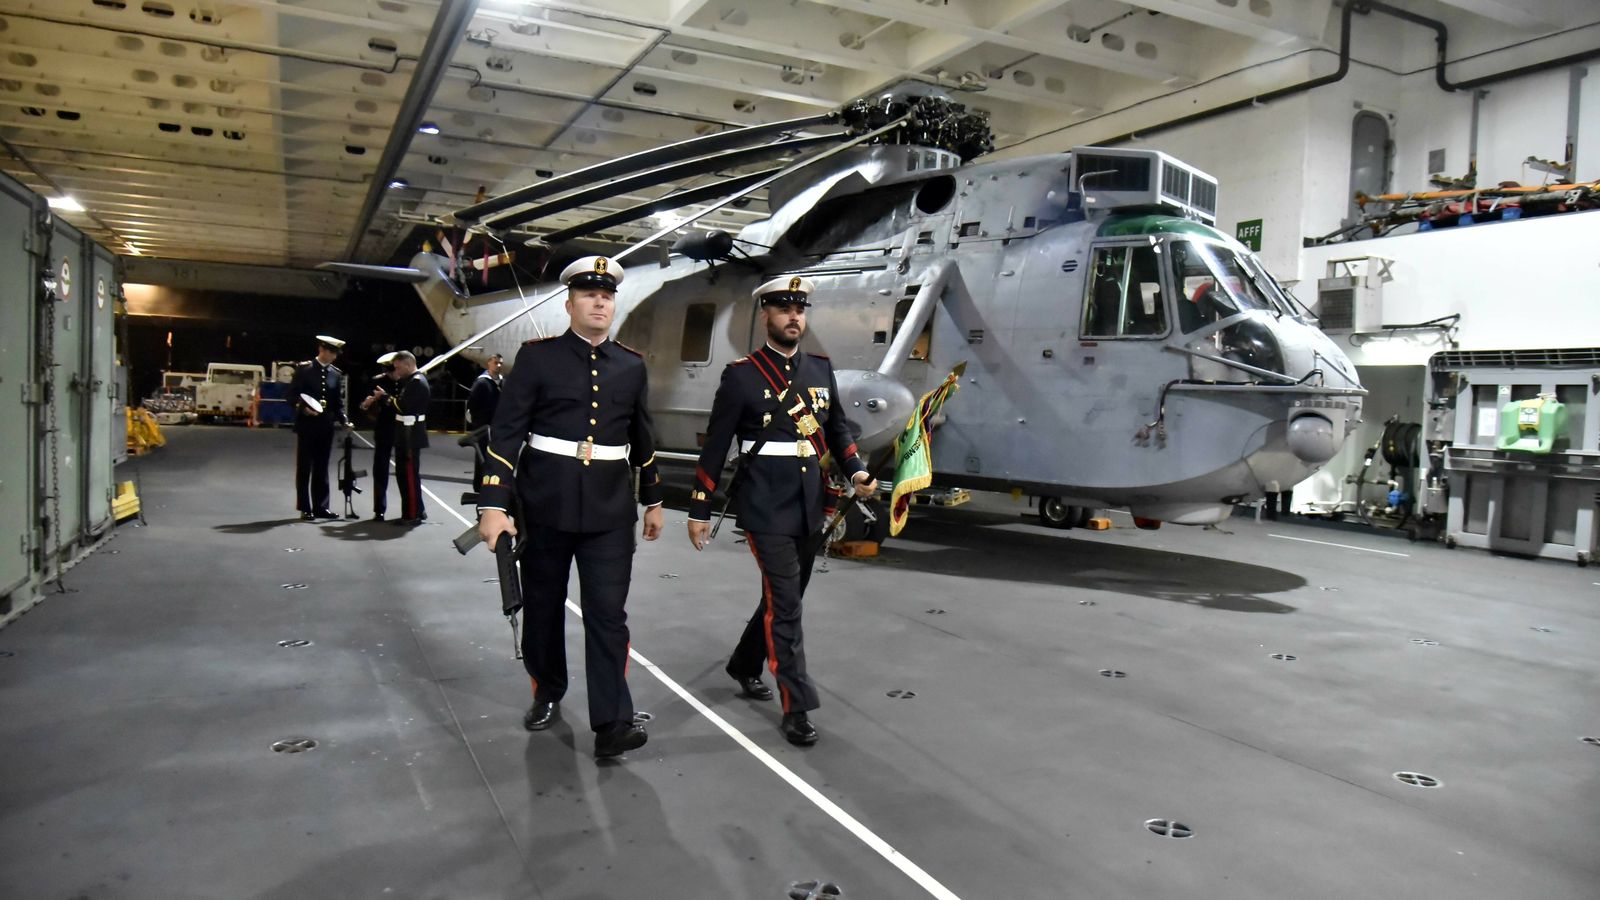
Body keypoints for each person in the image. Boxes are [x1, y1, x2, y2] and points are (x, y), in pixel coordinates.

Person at [476, 255, 665, 760]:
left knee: (609, 615)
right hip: (546, 505)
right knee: (543, 608)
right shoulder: (537, 359)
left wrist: (653, 499)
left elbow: (642, 438)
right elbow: (507, 434)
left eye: (606, 296)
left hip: (610, 511)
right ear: (570, 304)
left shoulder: (631, 365)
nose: (599, 303)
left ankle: (612, 723)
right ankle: (547, 689)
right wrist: (493, 504)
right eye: (589, 295)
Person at [686, 276, 877, 746]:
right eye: (784, 309)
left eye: (799, 309)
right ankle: (797, 705)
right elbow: (716, 445)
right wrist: (700, 508)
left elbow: (837, 430)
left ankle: (743, 663)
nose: (794, 317)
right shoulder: (741, 375)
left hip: (810, 503)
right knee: (787, 604)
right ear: (766, 315)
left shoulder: (820, 369)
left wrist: (856, 471)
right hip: (765, 505)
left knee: (783, 597)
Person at [289, 335, 349, 520]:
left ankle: (321, 507)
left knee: (322, 467)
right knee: (304, 467)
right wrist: (304, 409)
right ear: (322, 350)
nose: (334, 357)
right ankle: (305, 507)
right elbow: (291, 395)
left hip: (325, 425)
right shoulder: (304, 370)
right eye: (332, 352)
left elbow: (336, 402)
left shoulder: (335, 373)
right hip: (307, 424)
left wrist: (344, 419)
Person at [387, 351, 431, 525]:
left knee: (408, 476)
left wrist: (387, 399)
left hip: (410, 434)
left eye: (399, 367)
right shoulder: (411, 381)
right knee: (406, 475)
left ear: (408, 364)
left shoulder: (416, 382)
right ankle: (417, 509)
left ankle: (412, 514)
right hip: (407, 433)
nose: (397, 371)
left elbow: (404, 406)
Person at [360, 352, 399, 520]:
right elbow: (365, 405)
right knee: (381, 469)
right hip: (384, 427)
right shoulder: (378, 382)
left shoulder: (407, 381)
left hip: (403, 428)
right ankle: (379, 509)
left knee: (405, 470)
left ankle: (410, 509)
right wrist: (366, 404)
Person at [467, 353, 504, 489]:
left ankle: (493, 485)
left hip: (498, 428)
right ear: (489, 363)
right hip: (483, 428)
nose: (498, 365)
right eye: (495, 362)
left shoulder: (503, 382)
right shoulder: (481, 383)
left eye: (500, 363)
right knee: (482, 457)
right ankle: (479, 485)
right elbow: (472, 404)